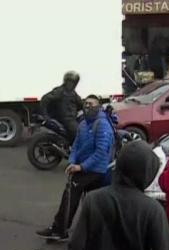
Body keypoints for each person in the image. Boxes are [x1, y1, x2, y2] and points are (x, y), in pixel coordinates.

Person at [36, 95, 113, 241]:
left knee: (71, 195)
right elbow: (76, 145)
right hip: (83, 168)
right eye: (86, 103)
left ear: (98, 107)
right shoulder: (83, 124)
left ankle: (60, 230)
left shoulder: (102, 125)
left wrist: (81, 167)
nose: (87, 107)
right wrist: (72, 161)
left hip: (97, 170)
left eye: (91, 104)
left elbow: (101, 152)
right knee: (84, 200)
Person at [40, 71, 83, 142]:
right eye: (70, 81)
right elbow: (45, 99)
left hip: (71, 118)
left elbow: (81, 103)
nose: (71, 84)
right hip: (66, 119)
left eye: (73, 82)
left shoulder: (72, 92)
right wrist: (45, 115)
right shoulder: (60, 91)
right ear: (65, 81)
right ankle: (77, 147)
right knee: (79, 133)